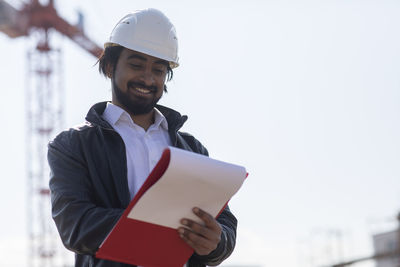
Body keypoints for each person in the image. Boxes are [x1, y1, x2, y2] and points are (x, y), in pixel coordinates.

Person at [48, 8, 237, 267]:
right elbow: (75, 225)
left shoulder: (192, 149)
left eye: (158, 70)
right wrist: (158, 226)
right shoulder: (72, 145)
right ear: (110, 65)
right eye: (136, 65)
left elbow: (224, 223)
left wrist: (217, 242)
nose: (147, 78)